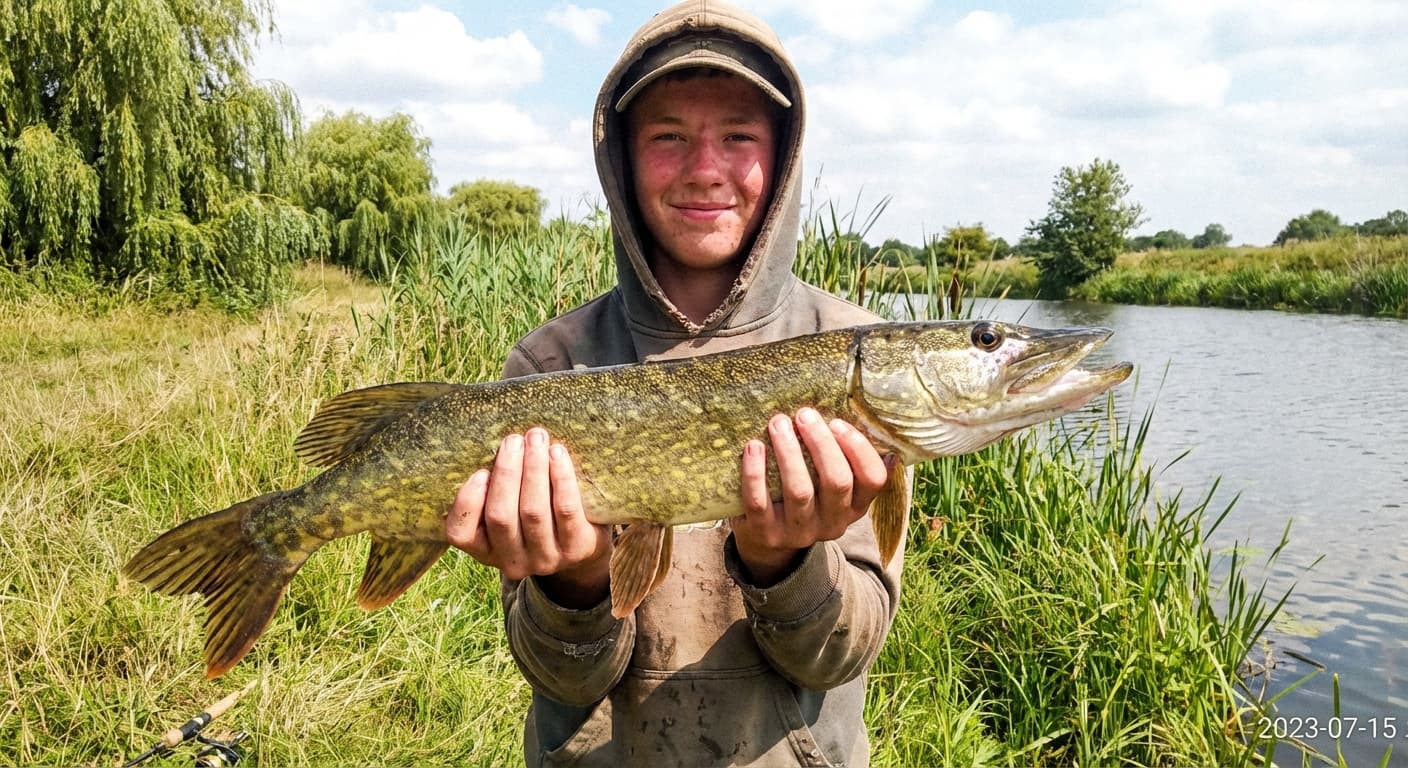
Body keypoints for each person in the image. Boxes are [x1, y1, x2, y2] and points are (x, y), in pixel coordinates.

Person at [444, 2, 907, 765]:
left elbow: (840, 659)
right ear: (622, 161)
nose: (705, 168)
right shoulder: (550, 363)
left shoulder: (843, 343)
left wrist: (783, 563)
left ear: (783, 158)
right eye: (668, 137)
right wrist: (578, 579)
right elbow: (557, 676)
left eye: (739, 136)